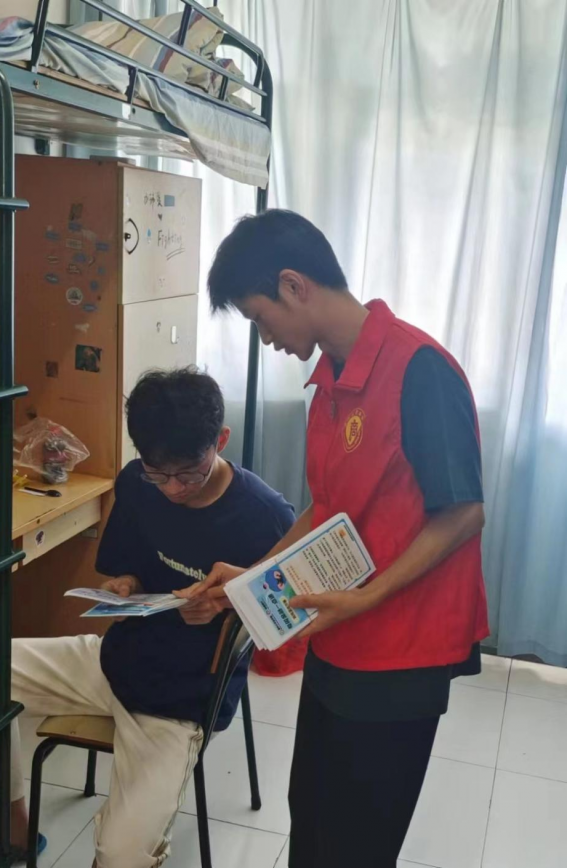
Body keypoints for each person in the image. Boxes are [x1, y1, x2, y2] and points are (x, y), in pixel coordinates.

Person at [180, 210, 489, 868]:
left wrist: (367, 597)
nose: (266, 339)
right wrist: (252, 577)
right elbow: (328, 508)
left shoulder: (419, 370)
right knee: (313, 816)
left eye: (260, 319)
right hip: (339, 636)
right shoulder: (330, 385)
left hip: (401, 650)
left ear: (294, 285)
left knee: (358, 841)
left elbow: (464, 514)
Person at [0, 367, 294, 868]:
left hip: (180, 701)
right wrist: (125, 585)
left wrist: (228, 610)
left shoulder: (267, 516)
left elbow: (286, 621)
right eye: (158, 472)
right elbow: (126, 567)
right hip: (113, 661)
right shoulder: (137, 482)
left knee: (121, 855)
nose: (172, 488)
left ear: (221, 440)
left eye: (188, 474)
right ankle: (8, 823)